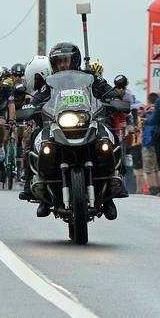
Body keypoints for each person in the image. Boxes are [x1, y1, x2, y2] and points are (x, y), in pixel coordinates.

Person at [29, 42, 124, 219]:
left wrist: (113, 98)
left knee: (110, 138)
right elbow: (38, 99)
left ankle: (113, 187)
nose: (63, 65)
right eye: (59, 62)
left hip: (88, 122)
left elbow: (108, 91)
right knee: (36, 138)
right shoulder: (50, 81)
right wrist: (31, 107)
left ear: (75, 60)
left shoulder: (89, 77)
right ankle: (34, 187)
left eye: (66, 60)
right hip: (57, 124)